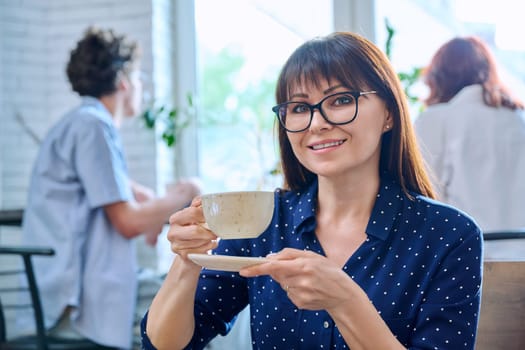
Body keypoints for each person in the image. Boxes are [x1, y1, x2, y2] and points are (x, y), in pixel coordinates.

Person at [141, 32, 483, 349]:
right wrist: (187, 260)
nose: (317, 123)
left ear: (389, 114)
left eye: (340, 100)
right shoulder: (262, 219)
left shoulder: (449, 235)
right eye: (300, 108)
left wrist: (344, 301)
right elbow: (167, 343)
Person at [21, 27, 200, 349]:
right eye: (138, 78)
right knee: (195, 301)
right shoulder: (94, 126)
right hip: (74, 295)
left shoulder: (78, 122)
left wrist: (149, 201)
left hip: (63, 280)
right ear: (122, 82)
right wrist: (186, 193)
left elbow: (120, 192)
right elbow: (128, 222)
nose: (140, 87)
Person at [414, 37, 525, 257]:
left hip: (467, 259)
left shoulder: (436, 120)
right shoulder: (519, 119)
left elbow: (425, 200)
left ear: (438, 77)